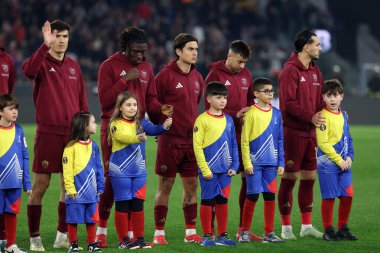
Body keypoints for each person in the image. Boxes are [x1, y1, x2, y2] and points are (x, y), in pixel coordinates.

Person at [96, 27, 172, 247]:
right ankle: (101, 230)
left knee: (133, 183)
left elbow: (151, 100)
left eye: (143, 52)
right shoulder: (108, 66)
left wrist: (162, 111)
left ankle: (130, 235)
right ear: (125, 48)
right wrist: (124, 80)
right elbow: (104, 101)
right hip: (114, 130)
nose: (141, 56)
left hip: (138, 129)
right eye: (136, 52)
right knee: (113, 180)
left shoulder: (147, 68)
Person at [22, 20, 89, 251]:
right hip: (48, 133)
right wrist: (43, 46)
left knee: (67, 184)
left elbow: (82, 101)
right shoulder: (41, 63)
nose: (61, 41)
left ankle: (62, 235)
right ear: (50, 38)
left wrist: (86, 126)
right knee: (40, 185)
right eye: (57, 36)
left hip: (71, 135)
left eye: (65, 37)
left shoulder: (74, 67)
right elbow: (28, 71)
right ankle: (34, 237)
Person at [204, 40, 260, 241]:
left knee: (248, 180)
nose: (242, 66)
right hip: (220, 139)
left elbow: (249, 102)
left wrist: (248, 114)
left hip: (243, 137)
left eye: (245, 62)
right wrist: (235, 114)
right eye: (239, 61)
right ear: (229, 56)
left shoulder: (246, 75)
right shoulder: (214, 76)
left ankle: (242, 229)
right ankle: (210, 231)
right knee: (216, 184)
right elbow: (208, 107)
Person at [152, 33, 204, 245]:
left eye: (196, 49)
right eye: (190, 49)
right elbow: (153, 105)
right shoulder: (164, 76)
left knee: (192, 186)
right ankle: (158, 234)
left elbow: (195, 105)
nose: (195, 53)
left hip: (191, 142)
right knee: (165, 186)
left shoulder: (197, 77)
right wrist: (160, 126)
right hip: (170, 141)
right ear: (178, 51)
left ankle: (190, 232)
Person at [108, 91, 172, 249]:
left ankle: (139, 239)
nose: (132, 108)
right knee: (123, 204)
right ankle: (123, 241)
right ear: (120, 107)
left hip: (139, 171)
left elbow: (155, 130)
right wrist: (137, 138)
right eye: (128, 105)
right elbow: (123, 137)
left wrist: (164, 126)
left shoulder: (141, 122)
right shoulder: (115, 124)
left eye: (134, 105)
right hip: (120, 171)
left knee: (138, 204)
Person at [277, 30, 325, 240]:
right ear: (306, 46)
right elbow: (287, 105)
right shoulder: (290, 71)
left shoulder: (316, 72)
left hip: (311, 134)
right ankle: (286, 228)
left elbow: (320, 103)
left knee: (309, 178)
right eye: (317, 44)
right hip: (293, 133)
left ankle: (306, 226)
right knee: (289, 178)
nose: (319, 48)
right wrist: (311, 117)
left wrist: (331, 113)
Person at [238, 77, 285, 243]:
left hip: (271, 164)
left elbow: (280, 139)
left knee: (270, 197)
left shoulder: (277, 113)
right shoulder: (251, 113)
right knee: (252, 196)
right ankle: (245, 232)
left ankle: (269, 232)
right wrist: (247, 163)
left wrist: (281, 162)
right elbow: (244, 141)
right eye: (266, 91)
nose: (270, 94)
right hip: (255, 164)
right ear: (256, 93)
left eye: (272, 91)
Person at [193, 82, 238, 247]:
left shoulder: (229, 120)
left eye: (225, 97)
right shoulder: (202, 120)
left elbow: (233, 143)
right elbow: (197, 147)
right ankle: (207, 236)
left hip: (226, 171)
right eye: (218, 97)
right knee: (207, 200)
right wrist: (204, 169)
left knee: (222, 200)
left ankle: (222, 235)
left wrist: (235, 165)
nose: (223, 100)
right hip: (209, 171)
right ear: (209, 99)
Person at [316, 79, 357, 241]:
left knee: (348, 195)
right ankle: (328, 230)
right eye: (328, 96)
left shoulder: (343, 115)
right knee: (329, 197)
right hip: (327, 163)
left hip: (344, 163)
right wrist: (339, 160)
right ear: (323, 98)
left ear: (342, 96)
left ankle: (343, 228)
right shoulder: (322, 117)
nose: (332, 99)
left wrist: (349, 157)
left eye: (336, 95)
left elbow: (349, 138)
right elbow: (323, 143)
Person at [62, 112, 105, 252]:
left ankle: (91, 243)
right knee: (73, 218)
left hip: (92, 191)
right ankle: (73, 244)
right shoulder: (70, 147)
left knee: (92, 218)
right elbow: (67, 170)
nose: (96, 124)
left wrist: (100, 186)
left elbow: (99, 167)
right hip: (76, 192)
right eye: (93, 122)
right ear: (84, 127)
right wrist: (70, 189)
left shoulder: (95, 146)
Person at [0, 94, 31, 253]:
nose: (15, 112)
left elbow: (25, 157)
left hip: (14, 182)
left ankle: (11, 245)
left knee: (12, 212)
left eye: (16, 108)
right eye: (10, 108)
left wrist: (27, 183)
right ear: (0, 111)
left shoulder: (19, 130)